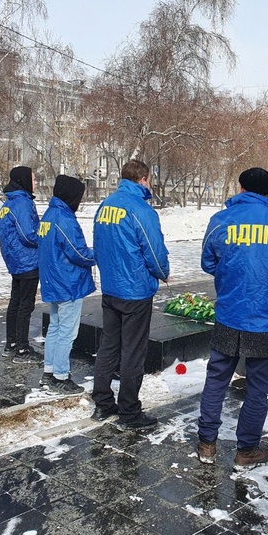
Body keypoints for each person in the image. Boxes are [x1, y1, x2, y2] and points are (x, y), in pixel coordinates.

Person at [197, 167, 268, 468]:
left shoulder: (221, 220)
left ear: (241, 189)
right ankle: (246, 450)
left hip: (229, 315)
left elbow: (208, 261)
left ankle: (207, 445)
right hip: (266, 319)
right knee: (257, 387)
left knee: (216, 381)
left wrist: (229, 274)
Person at [91, 160, 170, 427]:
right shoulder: (141, 210)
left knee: (109, 346)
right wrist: (163, 272)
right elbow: (154, 251)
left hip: (111, 287)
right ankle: (129, 411)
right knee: (133, 352)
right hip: (134, 290)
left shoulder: (106, 205)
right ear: (144, 179)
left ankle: (102, 403)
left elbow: (98, 245)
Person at [38, 175, 96, 394]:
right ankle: (61, 376)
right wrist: (98, 255)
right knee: (67, 332)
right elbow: (78, 252)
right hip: (68, 282)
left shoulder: (50, 214)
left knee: (55, 327)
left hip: (53, 281)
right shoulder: (64, 219)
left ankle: (49, 371)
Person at [0, 166, 42, 364]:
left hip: (15, 261)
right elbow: (28, 234)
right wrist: (44, 238)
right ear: (24, 180)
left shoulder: (9, 203)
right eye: (33, 178)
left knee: (15, 302)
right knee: (25, 305)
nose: (36, 182)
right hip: (27, 261)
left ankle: (11, 344)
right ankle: (22, 348)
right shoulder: (22, 203)